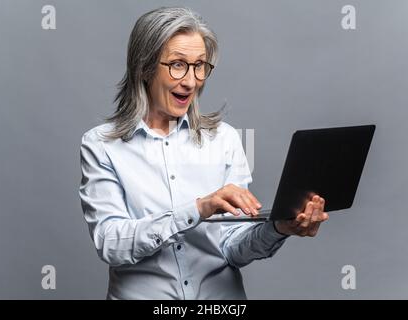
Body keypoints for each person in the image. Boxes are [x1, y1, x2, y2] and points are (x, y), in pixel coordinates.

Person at [78, 7, 329, 300]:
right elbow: (112, 244)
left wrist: (279, 228)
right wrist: (198, 209)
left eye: (199, 66)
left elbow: (233, 248)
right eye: (178, 65)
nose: (191, 80)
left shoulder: (226, 139)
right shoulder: (101, 146)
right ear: (144, 67)